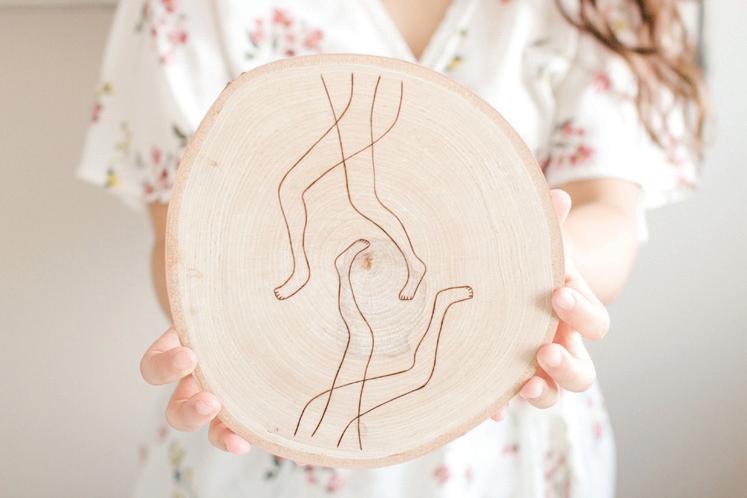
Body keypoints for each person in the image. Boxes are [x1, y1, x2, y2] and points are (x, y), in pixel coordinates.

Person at [77, 0, 705, 496]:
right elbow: (183, 243)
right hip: (269, 432)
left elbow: (607, 210)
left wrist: (537, 277)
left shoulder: (597, 8)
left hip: (507, 431)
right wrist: (221, 349)